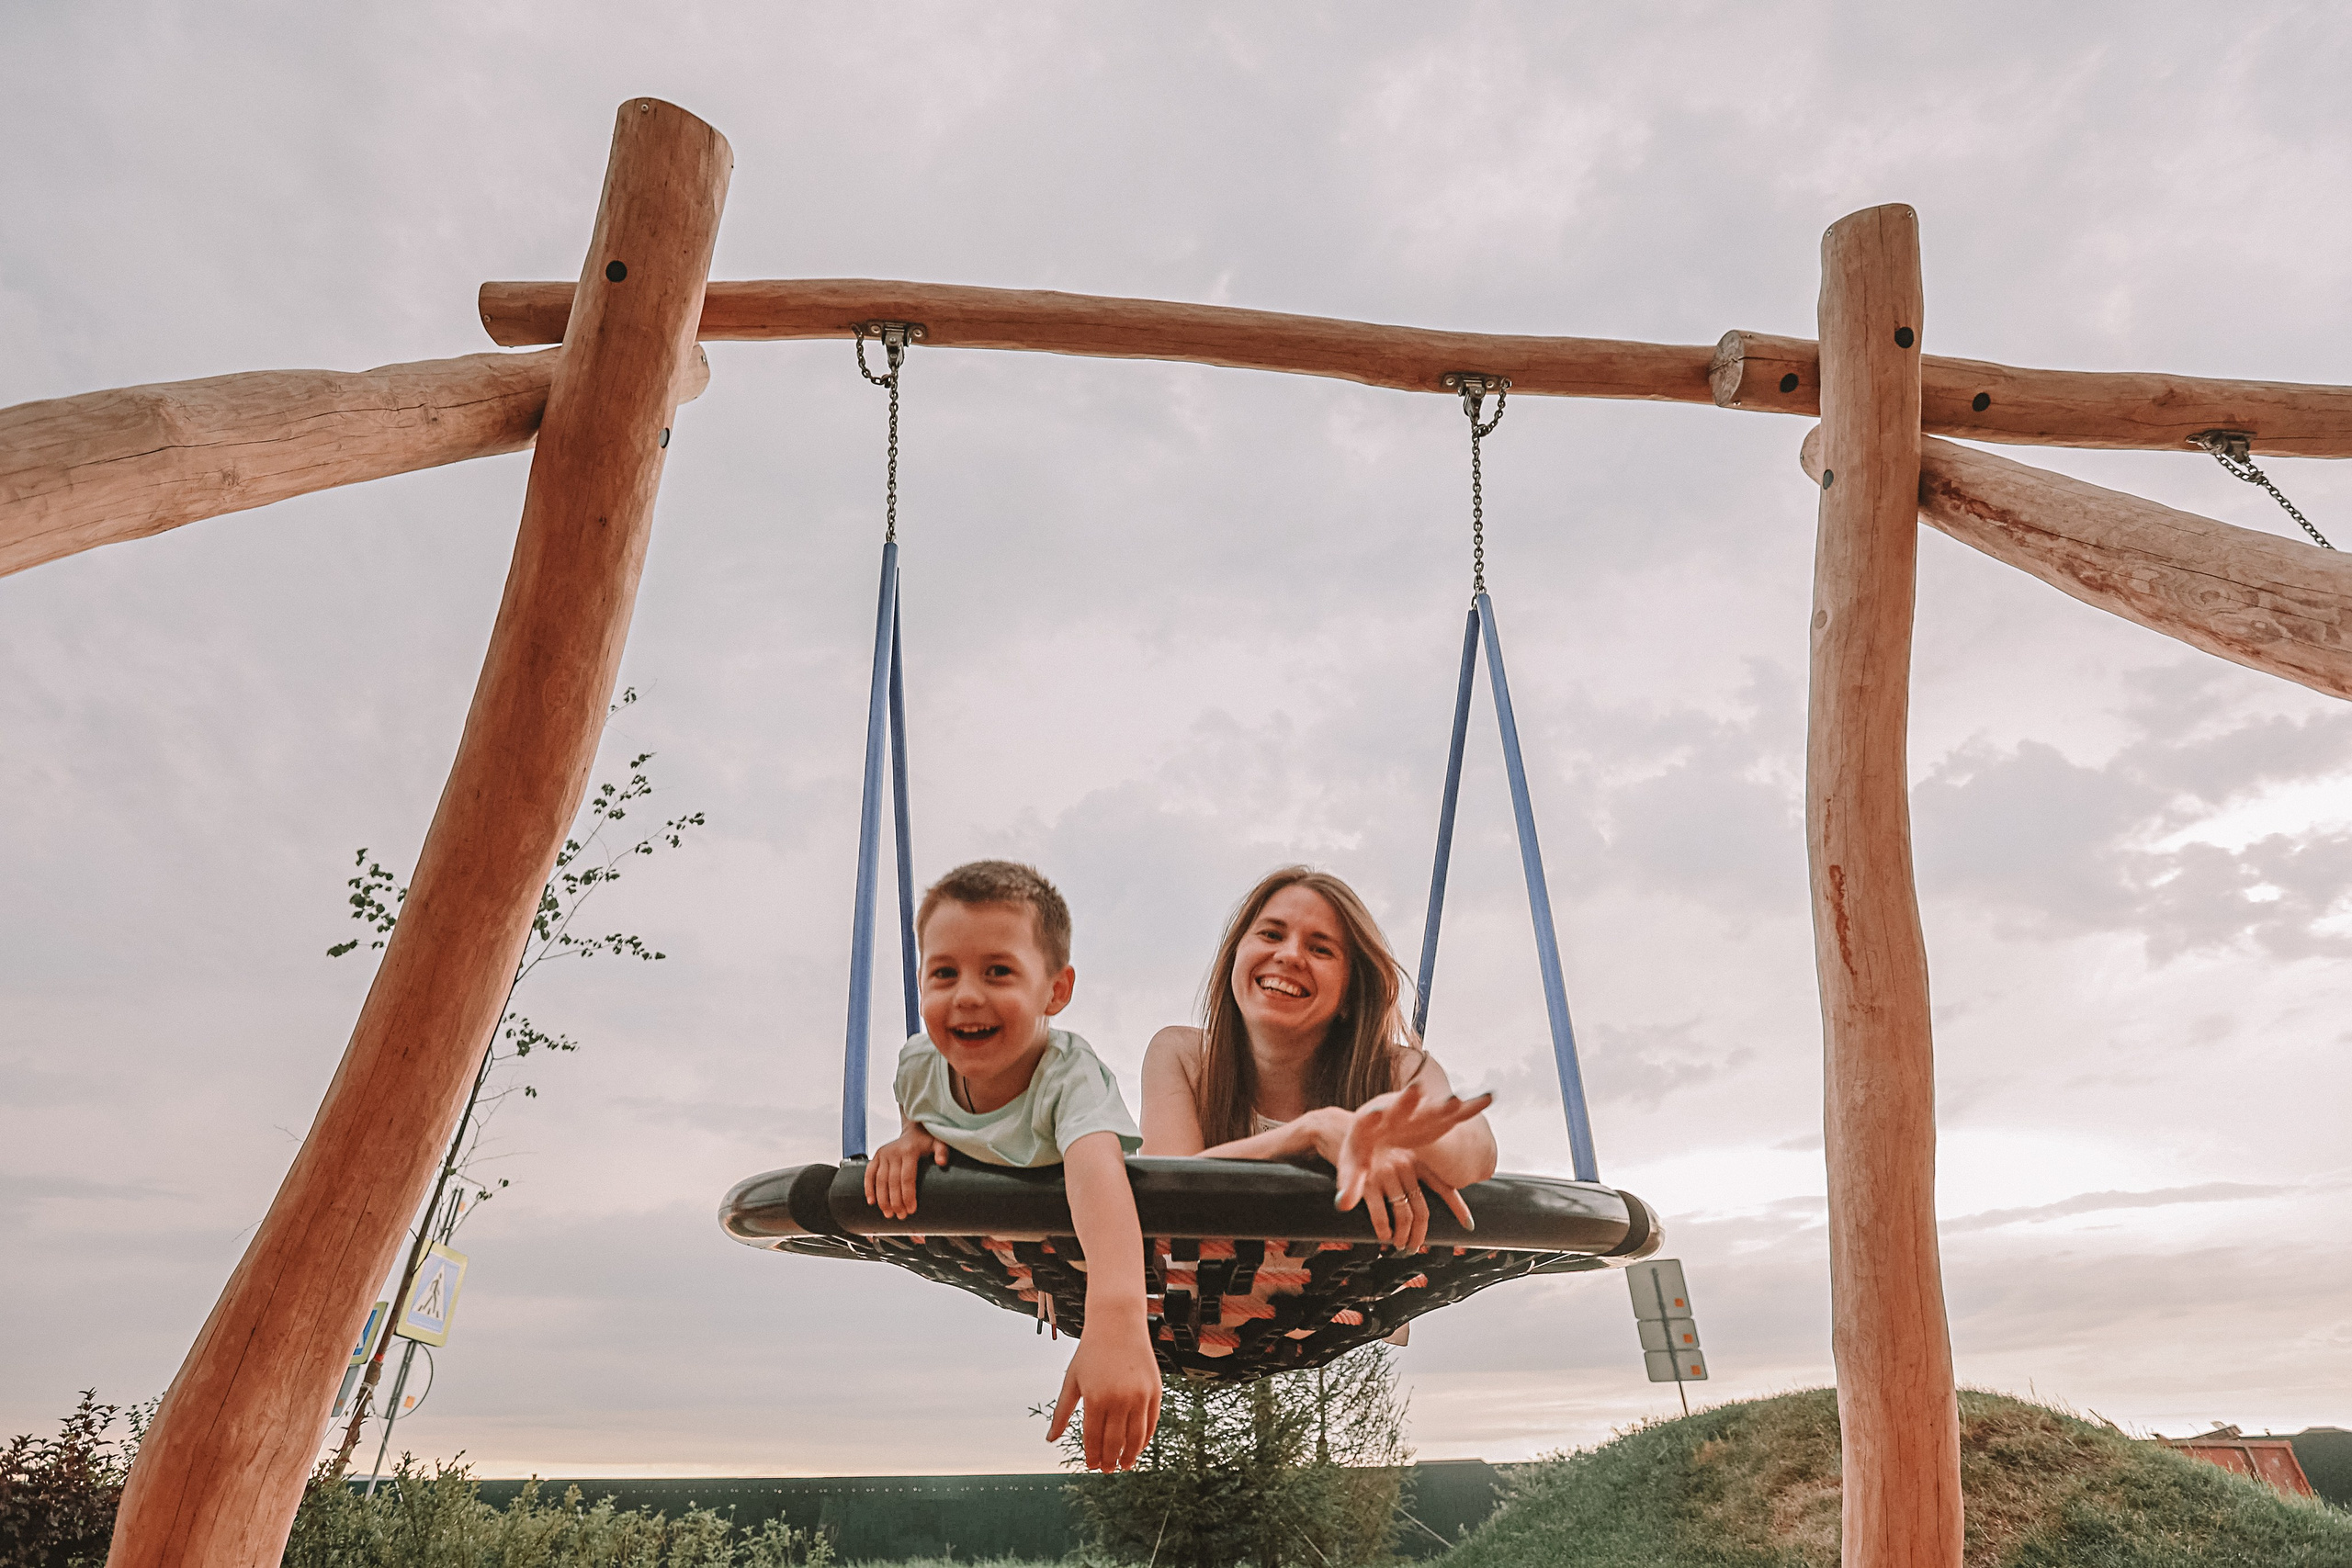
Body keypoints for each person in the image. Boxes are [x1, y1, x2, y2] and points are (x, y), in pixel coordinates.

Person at [864, 860, 1160, 1472]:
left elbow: (1098, 1173)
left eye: (998, 971)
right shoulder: (918, 1065)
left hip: (1107, 1251)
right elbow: (919, 1111)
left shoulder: (1069, 1076)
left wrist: (1118, 1321)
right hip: (1021, 1263)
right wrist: (912, 1137)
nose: (967, 995)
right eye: (944, 973)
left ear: (1056, 990)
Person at [1140, 866, 1497, 1254]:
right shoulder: (1182, 1056)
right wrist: (1309, 1132)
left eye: (1320, 949)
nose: (1289, 955)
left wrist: (1381, 1128)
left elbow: (1476, 1150)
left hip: (1354, 1295)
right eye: (1271, 934)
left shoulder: (1398, 1070)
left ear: (1349, 994)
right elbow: (1169, 1200)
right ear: (1235, 958)